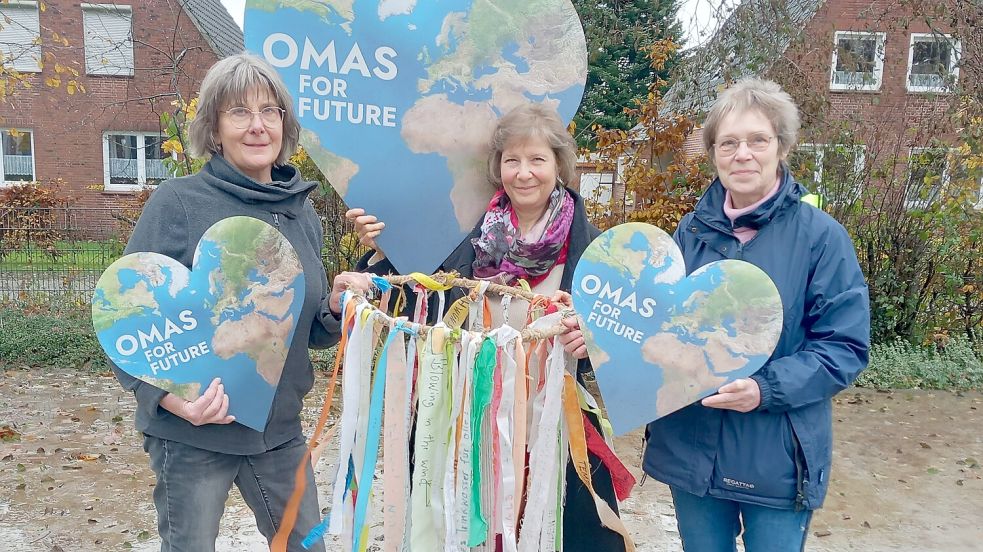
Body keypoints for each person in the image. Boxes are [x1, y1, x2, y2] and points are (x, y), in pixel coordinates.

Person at [561, 78, 871, 551]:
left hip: (775, 457)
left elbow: (843, 347)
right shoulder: (692, 230)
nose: (742, 154)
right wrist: (603, 337)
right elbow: (659, 325)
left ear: (781, 146)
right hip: (694, 450)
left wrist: (764, 389)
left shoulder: (821, 239)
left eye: (757, 140)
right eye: (729, 143)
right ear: (713, 153)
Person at [110, 53, 370, 552]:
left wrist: (334, 307)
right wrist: (170, 402)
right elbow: (124, 317)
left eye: (269, 111)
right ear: (214, 127)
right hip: (194, 436)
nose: (257, 126)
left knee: (307, 545)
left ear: (284, 124)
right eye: (239, 112)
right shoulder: (178, 203)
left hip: (279, 434)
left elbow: (308, 330)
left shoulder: (301, 211)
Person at [347, 103, 629, 551]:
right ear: (498, 167)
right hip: (478, 427)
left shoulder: (595, 250)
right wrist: (381, 252)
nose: (524, 173)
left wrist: (593, 343)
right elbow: (416, 296)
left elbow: (620, 348)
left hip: (555, 428)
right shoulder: (466, 238)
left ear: (559, 165)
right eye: (512, 160)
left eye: (537, 159)